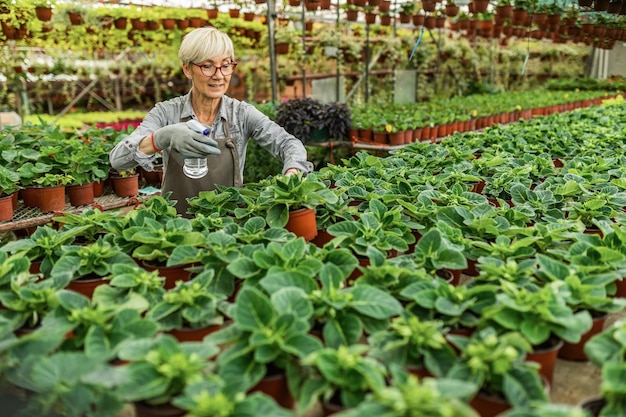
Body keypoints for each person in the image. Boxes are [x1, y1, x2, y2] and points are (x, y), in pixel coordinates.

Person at [109, 26, 313, 215]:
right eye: (207, 66)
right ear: (187, 69)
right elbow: (118, 160)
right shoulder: (166, 113)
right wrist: (160, 137)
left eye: (225, 66)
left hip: (229, 224)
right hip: (177, 227)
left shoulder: (241, 114)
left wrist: (292, 172)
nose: (219, 75)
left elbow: (289, 144)